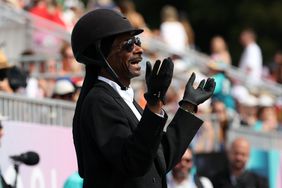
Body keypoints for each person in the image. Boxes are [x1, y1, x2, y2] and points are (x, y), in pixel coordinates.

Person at [71, 9, 215, 188]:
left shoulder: (123, 98)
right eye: (128, 44)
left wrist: (188, 107)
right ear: (101, 53)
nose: (139, 49)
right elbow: (133, 162)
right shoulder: (99, 101)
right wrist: (154, 103)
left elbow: (161, 160)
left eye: (137, 41)